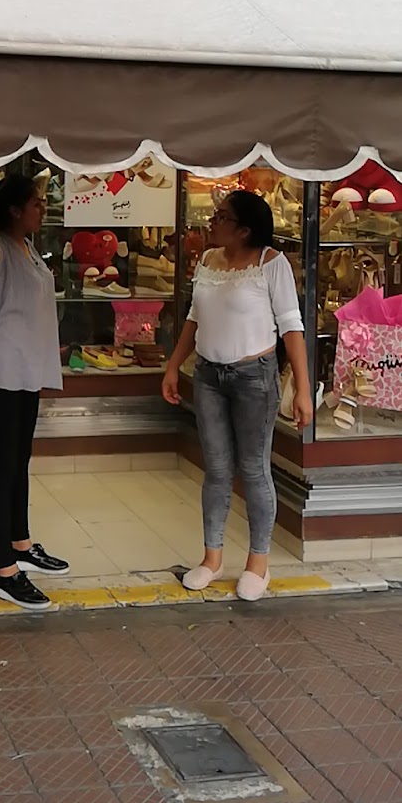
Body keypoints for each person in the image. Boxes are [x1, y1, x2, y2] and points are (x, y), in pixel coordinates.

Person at [161, 190, 313, 602]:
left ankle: (258, 563)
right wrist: (174, 365)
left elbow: (292, 327)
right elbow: (194, 317)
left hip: (254, 378)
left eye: (221, 216)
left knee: (253, 467)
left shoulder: (271, 264)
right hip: (209, 375)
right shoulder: (208, 260)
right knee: (216, 468)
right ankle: (212, 558)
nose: (212, 221)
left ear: (244, 230)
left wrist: (302, 388)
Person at [0, 174, 68, 610]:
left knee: (19, 461)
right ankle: (4, 571)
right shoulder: (0, 246)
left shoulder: (29, 248)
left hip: (26, 371)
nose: (42, 209)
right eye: (36, 204)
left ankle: (21, 544)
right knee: (2, 467)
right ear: (14, 210)